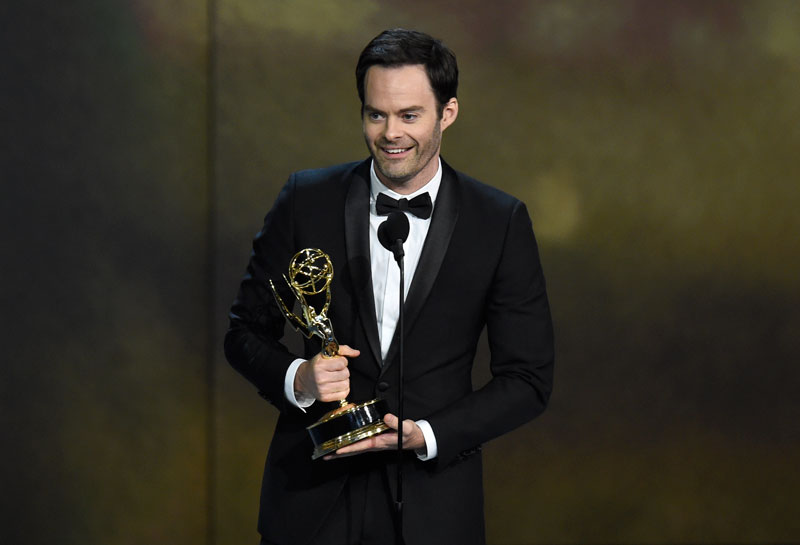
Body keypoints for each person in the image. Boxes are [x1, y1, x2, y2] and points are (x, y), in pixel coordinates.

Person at [225, 28, 554, 545]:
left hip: (433, 507)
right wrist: (299, 378)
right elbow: (243, 332)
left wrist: (427, 435)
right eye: (375, 114)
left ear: (447, 113)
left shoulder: (499, 222)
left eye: (409, 115)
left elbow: (528, 380)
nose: (390, 133)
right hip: (311, 506)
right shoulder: (305, 199)